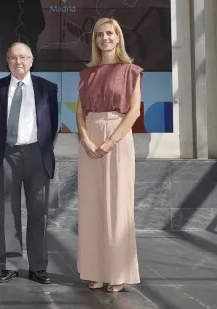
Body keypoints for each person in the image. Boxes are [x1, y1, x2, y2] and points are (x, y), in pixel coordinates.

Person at [76, 17, 142, 293]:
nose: (104, 38)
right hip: (90, 138)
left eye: (110, 33)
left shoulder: (131, 71)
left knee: (117, 206)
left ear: (118, 37)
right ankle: (96, 271)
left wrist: (111, 142)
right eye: (100, 34)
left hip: (118, 137)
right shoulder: (86, 74)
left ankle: (118, 271)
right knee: (92, 207)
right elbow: (79, 112)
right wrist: (86, 139)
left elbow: (134, 112)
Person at [0, 42, 58, 284]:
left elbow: (51, 124)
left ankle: (38, 267)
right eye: (14, 58)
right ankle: (10, 265)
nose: (19, 62)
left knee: (38, 213)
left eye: (23, 57)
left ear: (32, 60)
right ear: (7, 60)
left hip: (37, 155)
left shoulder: (47, 88)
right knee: (7, 211)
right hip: (7, 155)